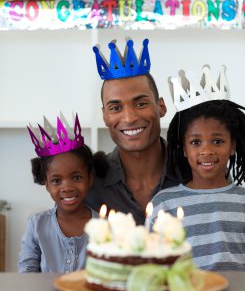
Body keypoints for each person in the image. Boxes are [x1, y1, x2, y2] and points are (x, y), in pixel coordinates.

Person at [150, 97, 245, 271]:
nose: (206, 151)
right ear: (184, 148)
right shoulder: (164, 203)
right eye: (196, 142)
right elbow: (151, 263)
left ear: (232, 146)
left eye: (218, 141)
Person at [85, 38, 180, 225]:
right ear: (104, 116)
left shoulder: (197, 169)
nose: (129, 118)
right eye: (115, 108)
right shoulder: (90, 182)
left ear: (161, 106)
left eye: (141, 103)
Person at [19, 114, 99, 273]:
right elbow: (27, 272)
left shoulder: (105, 225)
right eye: (56, 181)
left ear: (89, 179)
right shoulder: (37, 225)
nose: (67, 187)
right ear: (46, 184)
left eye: (76, 177)